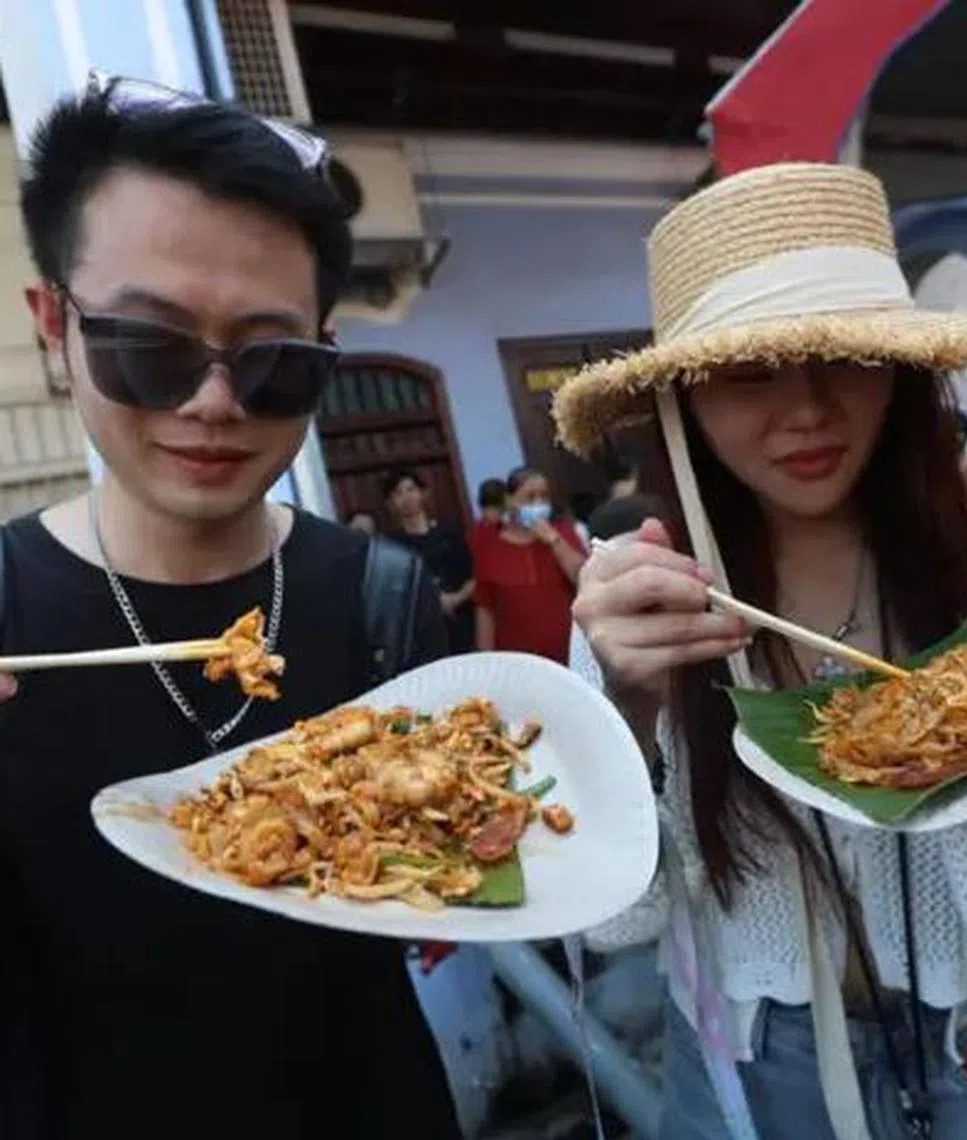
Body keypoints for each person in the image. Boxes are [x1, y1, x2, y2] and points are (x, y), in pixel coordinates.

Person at [555, 164, 967, 1140]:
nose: (809, 411)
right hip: (747, 1067)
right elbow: (611, 918)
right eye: (750, 371)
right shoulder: (646, 598)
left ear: (902, 368)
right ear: (680, 401)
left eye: (846, 355)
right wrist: (623, 712)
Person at [1, 77, 460, 1138]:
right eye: (148, 346)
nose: (212, 401)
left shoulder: (384, 598)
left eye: (273, 362)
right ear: (54, 325)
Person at [473, 465, 585, 662]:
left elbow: (582, 579)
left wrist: (554, 541)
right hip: (518, 662)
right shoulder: (489, 548)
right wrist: (486, 661)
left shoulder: (564, 533)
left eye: (543, 497)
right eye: (530, 497)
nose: (538, 503)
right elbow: (485, 610)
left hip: (570, 655)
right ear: (509, 501)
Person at [382, 467, 475, 653]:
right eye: (398, 493)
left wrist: (455, 599)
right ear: (390, 502)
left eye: (411, 490)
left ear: (422, 493)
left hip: (462, 619)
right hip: (420, 630)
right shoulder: (390, 545)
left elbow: (475, 574)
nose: (406, 498)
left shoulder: (450, 532)